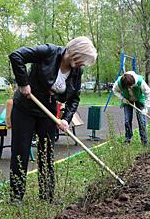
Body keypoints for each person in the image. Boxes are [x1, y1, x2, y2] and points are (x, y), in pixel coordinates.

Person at [8, 37, 97, 203]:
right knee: (21, 151)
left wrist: (66, 119)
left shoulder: (77, 72)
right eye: (82, 61)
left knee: (47, 153)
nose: (82, 65)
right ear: (74, 54)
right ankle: (16, 196)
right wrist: (23, 83)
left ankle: (47, 196)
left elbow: (74, 98)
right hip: (25, 109)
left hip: (47, 111)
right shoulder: (48, 52)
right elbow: (16, 56)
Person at [113, 71, 150, 146]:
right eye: (128, 86)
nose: (131, 88)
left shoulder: (140, 81)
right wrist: (122, 98)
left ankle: (144, 141)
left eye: (132, 85)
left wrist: (146, 108)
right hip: (127, 100)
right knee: (127, 120)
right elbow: (114, 91)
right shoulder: (119, 83)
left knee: (142, 120)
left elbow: (149, 94)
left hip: (139, 99)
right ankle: (128, 139)